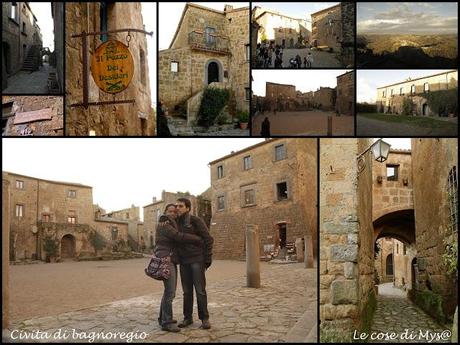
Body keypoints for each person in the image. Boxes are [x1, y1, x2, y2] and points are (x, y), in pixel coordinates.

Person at [155, 204, 202, 332]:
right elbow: (177, 236)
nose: (172, 213)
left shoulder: (170, 222)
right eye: (169, 211)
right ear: (165, 212)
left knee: (167, 292)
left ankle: (163, 319)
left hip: (170, 259)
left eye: (174, 212)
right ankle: (167, 322)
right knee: (170, 292)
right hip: (166, 259)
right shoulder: (165, 223)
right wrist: (197, 239)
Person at [176, 198, 214, 330]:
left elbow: (208, 239)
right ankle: (187, 318)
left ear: (187, 208)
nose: (177, 208)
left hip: (197, 260)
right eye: (176, 206)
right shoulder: (176, 222)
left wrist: (207, 259)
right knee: (187, 292)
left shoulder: (195, 220)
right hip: (183, 262)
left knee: (200, 291)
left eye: (180, 206)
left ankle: (204, 318)